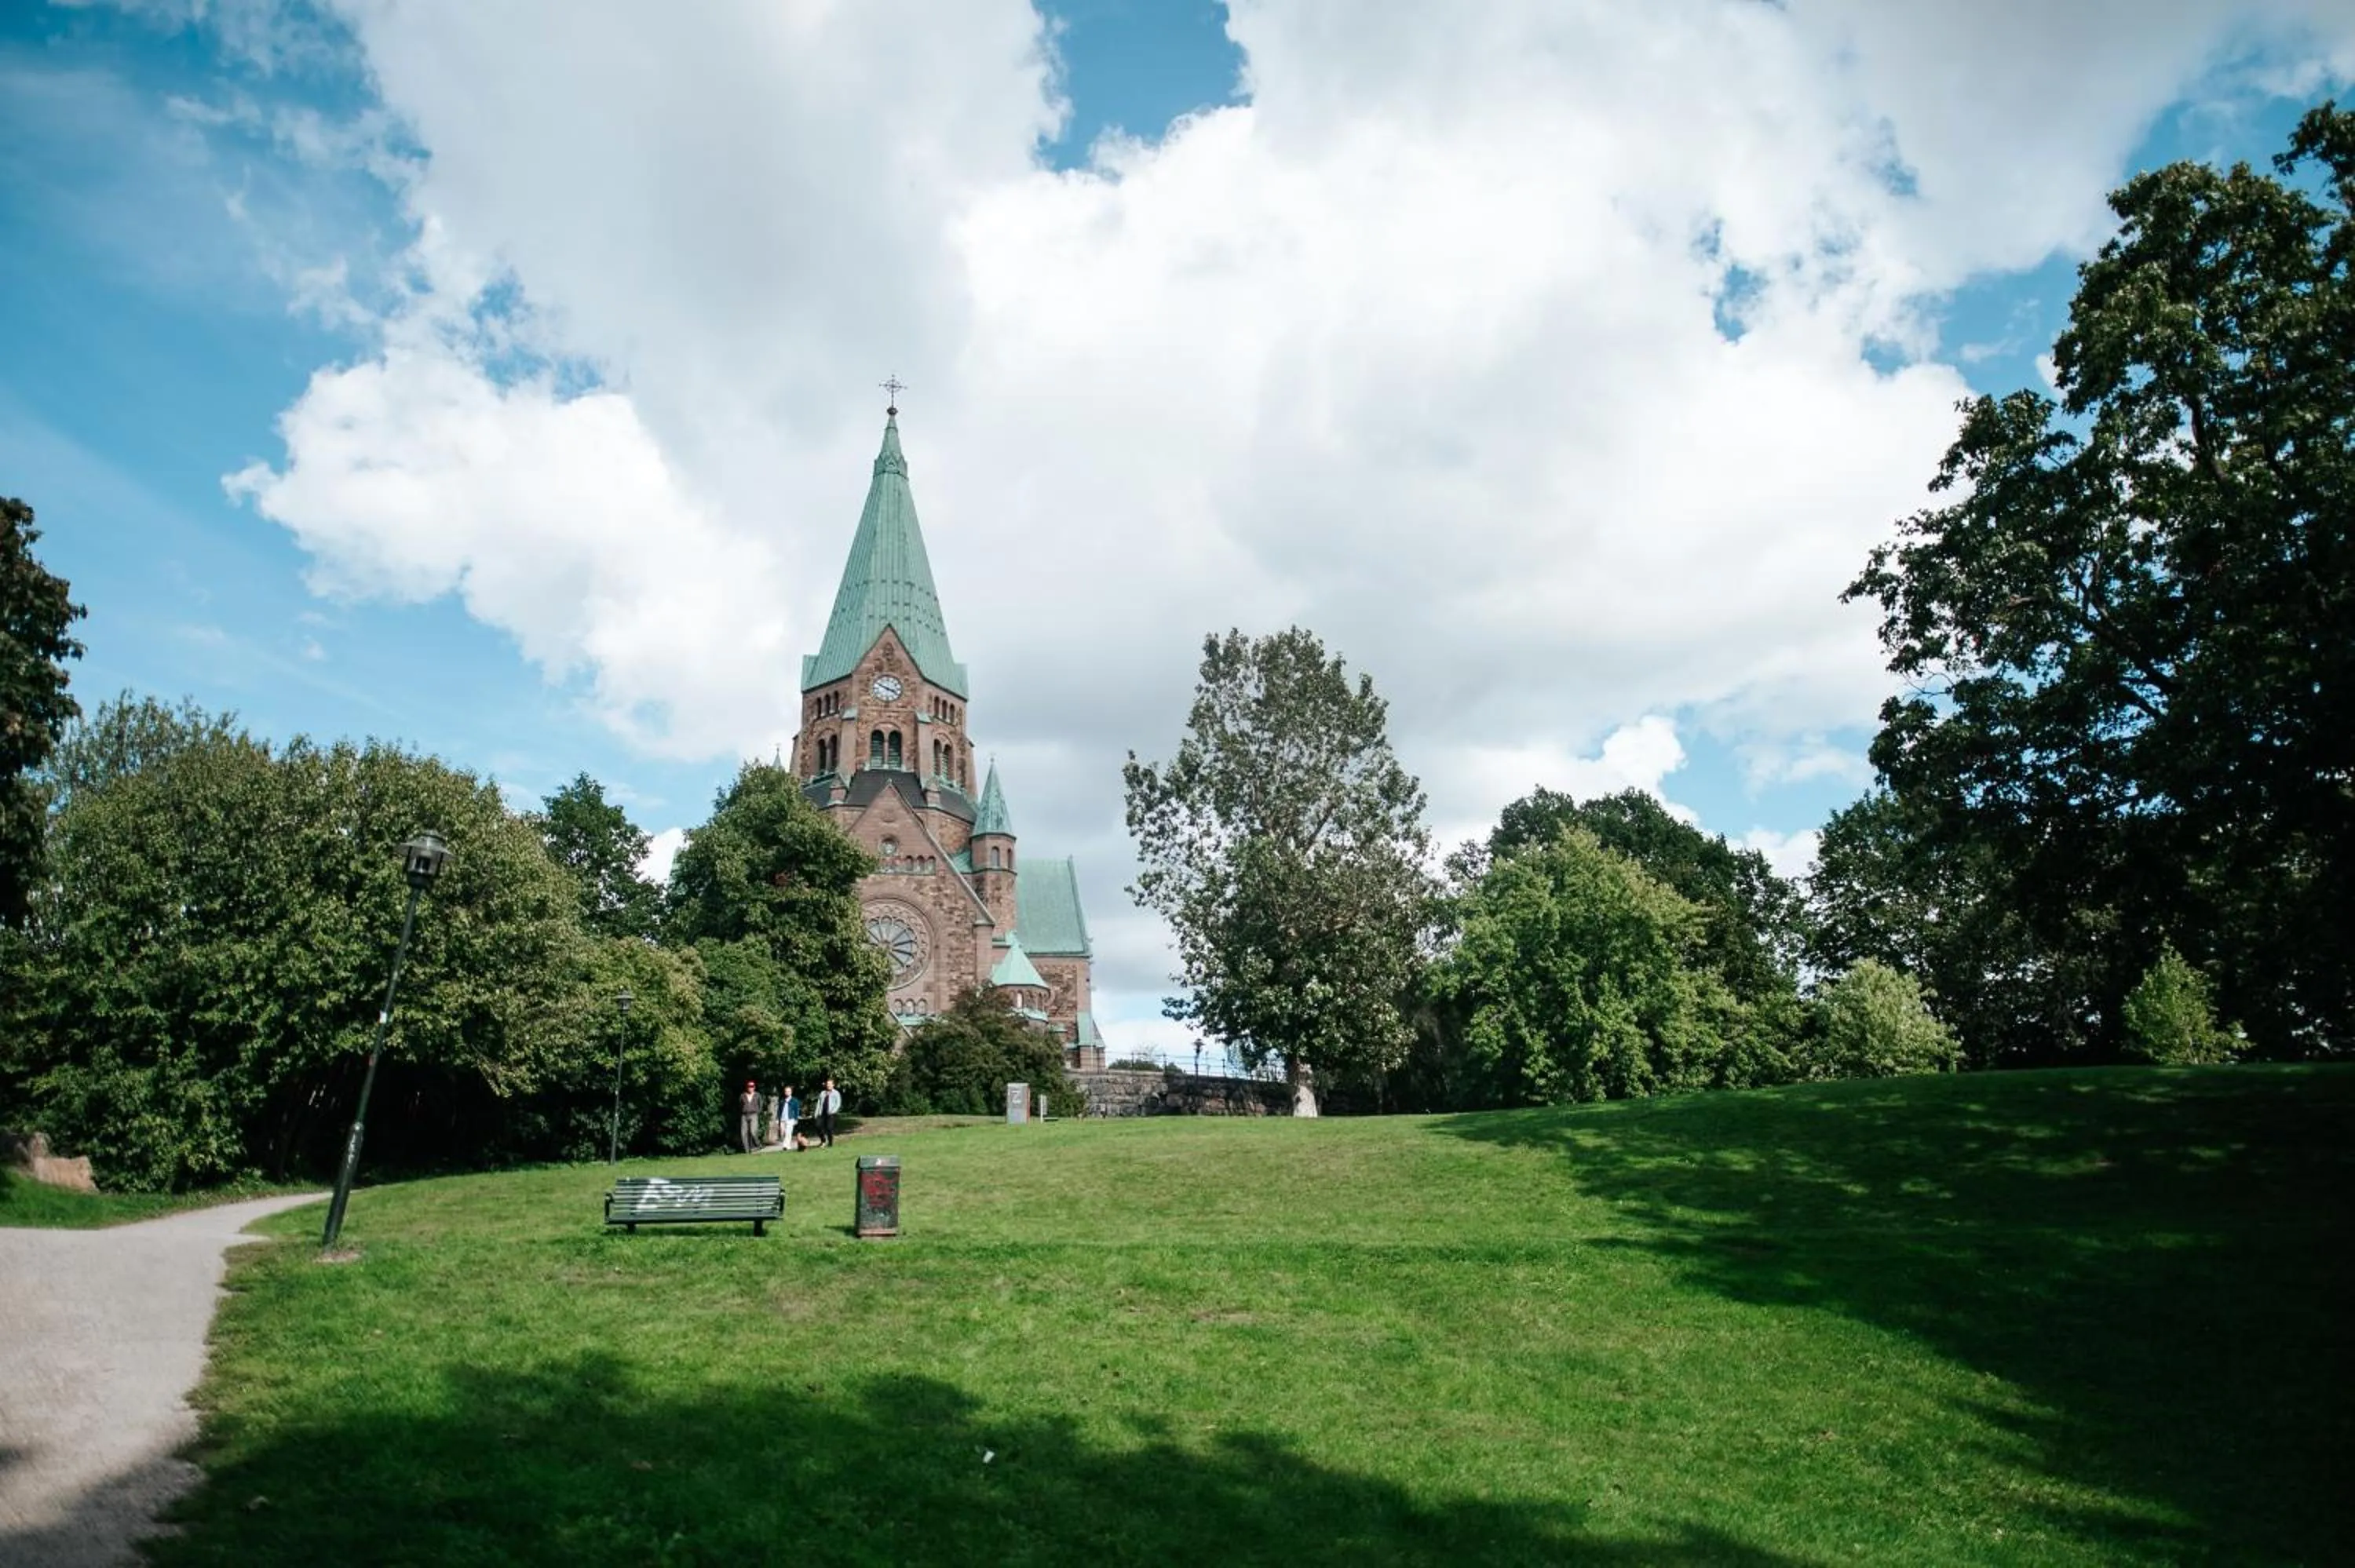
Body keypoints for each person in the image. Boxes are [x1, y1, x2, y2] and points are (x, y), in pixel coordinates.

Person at [816, 1077, 841, 1147]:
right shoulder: (823, 1093)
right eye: (827, 1084)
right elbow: (819, 1103)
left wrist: (833, 1111)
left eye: (830, 1084)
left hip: (831, 1114)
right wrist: (816, 1113)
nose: (828, 1085)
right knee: (818, 1126)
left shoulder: (836, 1093)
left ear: (833, 1085)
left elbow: (838, 1104)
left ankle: (830, 1143)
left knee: (829, 1128)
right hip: (822, 1113)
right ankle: (823, 1140)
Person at [737, 1080, 761, 1154]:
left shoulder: (757, 1095)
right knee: (743, 1133)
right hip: (744, 1115)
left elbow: (760, 1105)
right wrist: (743, 1111)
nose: (751, 1088)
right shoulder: (742, 1096)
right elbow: (740, 1105)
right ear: (747, 1087)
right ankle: (747, 1151)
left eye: (752, 1086)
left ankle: (758, 1145)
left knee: (753, 1132)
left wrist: (758, 1112)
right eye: (749, 1086)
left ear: (754, 1087)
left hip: (754, 1114)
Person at [780, 1085, 801, 1151]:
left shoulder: (794, 1101)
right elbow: (779, 1110)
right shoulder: (782, 1101)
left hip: (790, 1119)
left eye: (789, 1091)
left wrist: (796, 1119)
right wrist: (778, 1119)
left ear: (791, 1092)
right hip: (783, 1119)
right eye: (786, 1091)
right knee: (783, 1133)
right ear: (784, 1092)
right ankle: (787, 1145)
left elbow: (797, 1110)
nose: (787, 1093)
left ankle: (785, 1146)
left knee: (788, 1132)